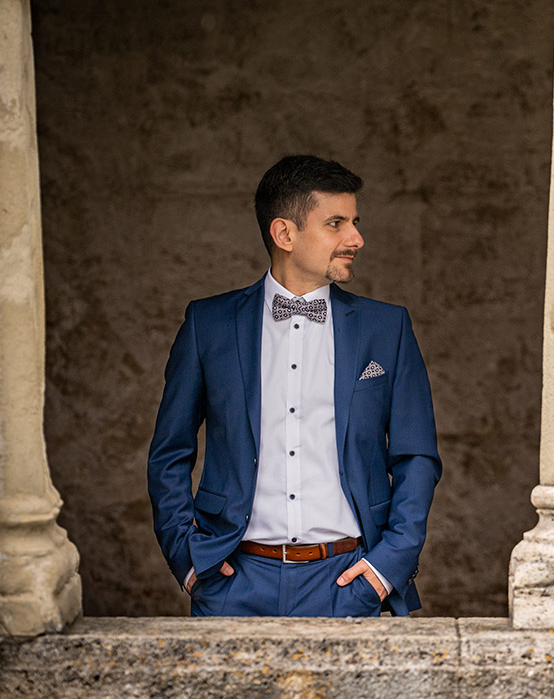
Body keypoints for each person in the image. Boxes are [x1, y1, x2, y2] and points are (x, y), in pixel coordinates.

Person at [147, 155, 441, 617]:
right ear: (284, 234)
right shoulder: (209, 325)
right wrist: (188, 561)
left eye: (355, 222)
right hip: (232, 584)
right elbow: (170, 451)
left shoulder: (387, 328)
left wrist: (387, 568)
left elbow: (416, 454)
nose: (356, 239)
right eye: (336, 224)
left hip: (349, 581)